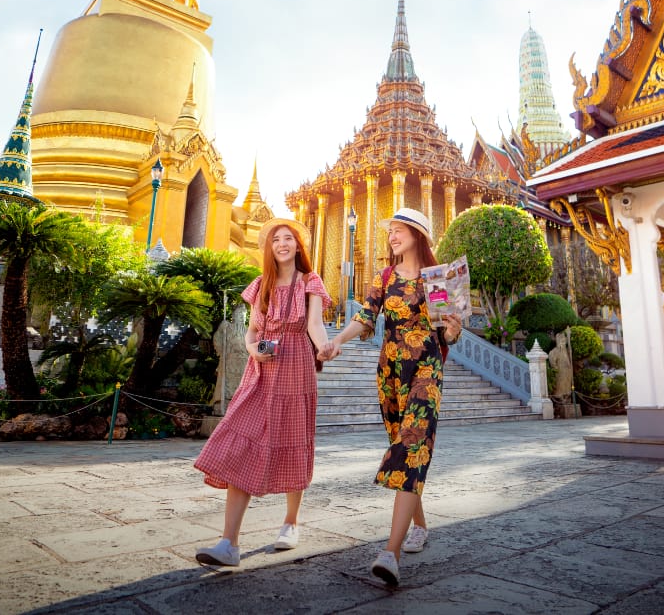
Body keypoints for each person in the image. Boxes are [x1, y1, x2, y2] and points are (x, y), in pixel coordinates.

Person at [322, 207, 463, 587]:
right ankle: (419, 524)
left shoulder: (436, 278)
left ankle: (391, 553)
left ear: (418, 235)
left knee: (412, 445)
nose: (393, 236)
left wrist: (452, 330)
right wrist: (335, 340)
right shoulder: (384, 278)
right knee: (402, 445)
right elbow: (365, 318)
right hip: (390, 373)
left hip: (426, 370)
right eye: (391, 231)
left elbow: (447, 334)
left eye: (400, 230)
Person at [192, 218, 332, 568]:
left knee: (293, 440)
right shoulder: (261, 285)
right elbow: (252, 331)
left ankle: (291, 522)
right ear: (269, 248)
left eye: (289, 239)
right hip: (261, 373)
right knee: (241, 442)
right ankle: (229, 543)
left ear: (299, 246)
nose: (282, 244)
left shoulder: (310, 282)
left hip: (297, 367)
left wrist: (326, 347)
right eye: (276, 240)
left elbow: (314, 325)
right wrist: (254, 350)